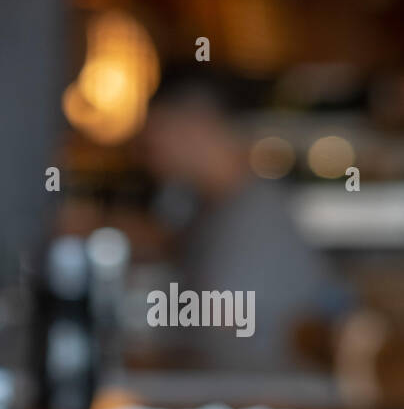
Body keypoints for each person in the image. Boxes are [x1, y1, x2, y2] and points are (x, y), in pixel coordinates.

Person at [141, 68, 350, 370]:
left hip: (271, 401)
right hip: (233, 393)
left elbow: (224, 330)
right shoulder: (212, 206)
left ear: (197, 124)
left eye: (157, 127)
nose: (148, 143)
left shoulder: (258, 217)